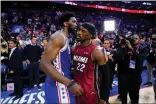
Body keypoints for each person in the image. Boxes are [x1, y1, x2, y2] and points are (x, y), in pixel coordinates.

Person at [40, 12, 84, 104]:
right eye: (74, 22)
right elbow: (43, 64)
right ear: (65, 24)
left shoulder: (66, 38)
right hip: (58, 84)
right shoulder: (59, 37)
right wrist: (70, 83)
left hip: (63, 81)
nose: (76, 25)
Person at [72, 23, 107, 104]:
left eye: (83, 31)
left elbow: (105, 76)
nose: (79, 33)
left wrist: (103, 96)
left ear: (90, 35)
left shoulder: (96, 52)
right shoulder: (74, 49)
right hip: (77, 90)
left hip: (91, 92)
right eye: (79, 30)